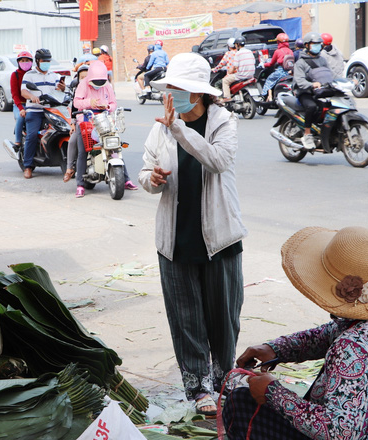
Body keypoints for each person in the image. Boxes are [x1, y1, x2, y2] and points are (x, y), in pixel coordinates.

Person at [223, 226, 368, 439]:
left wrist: (273, 393)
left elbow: (338, 431)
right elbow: (329, 333)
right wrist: (276, 348)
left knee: (240, 403)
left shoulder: (351, 348)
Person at [138, 52, 247, 416]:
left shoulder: (223, 121)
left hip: (219, 236)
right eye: (168, 88)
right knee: (186, 318)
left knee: (223, 315)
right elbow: (144, 172)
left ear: (197, 95)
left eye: (176, 89)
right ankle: (199, 387)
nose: (170, 95)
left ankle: (223, 378)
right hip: (176, 236)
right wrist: (150, 180)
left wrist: (179, 130)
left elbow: (218, 161)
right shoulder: (160, 127)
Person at [66, 61, 137, 197]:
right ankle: (80, 185)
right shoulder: (83, 84)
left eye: (101, 81)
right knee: (82, 152)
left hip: (105, 120)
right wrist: (89, 103)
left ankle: (126, 180)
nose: (98, 84)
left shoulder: (107, 85)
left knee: (115, 148)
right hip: (87, 121)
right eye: (96, 81)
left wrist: (108, 107)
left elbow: (113, 103)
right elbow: (76, 103)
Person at [21, 48, 66, 179]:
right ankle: (28, 166)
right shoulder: (29, 75)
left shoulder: (54, 76)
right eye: (43, 61)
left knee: (64, 131)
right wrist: (32, 97)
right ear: (37, 61)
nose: (46, 63)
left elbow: (58, 91)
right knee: (32, 135)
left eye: (48, 61)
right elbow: (24, 91)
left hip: (52, 110)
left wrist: (62, 89)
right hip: (35, 111)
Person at [293, 32, 335, 151]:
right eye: (314, 44)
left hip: (321, 90)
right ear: (307, 45)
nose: (317, 46)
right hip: (305, 92)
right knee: (312, 106)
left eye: (319, 44)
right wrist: (312, 85)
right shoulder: (300, 62)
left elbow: (330, 74)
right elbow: (300, 81)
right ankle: (307, 134)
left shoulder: (322, 60)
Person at [9, 51, 33, 153]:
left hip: (32, 104)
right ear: (18, 62)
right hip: (20, 104)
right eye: (22, 61)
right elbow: (15, 95)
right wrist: (21, 108)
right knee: (20, 117)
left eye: (27, 60)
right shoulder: (15, 75)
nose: (25, 62)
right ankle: (18, 142)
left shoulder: (33, 74)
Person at [261, 33, 294, 101]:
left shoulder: (278, 51)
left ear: (278, 42)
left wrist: (264, 65)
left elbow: (271, 64)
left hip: (280, 71)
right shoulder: (290, 51)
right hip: (289, 72)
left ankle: (268, 96)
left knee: (269, 80)